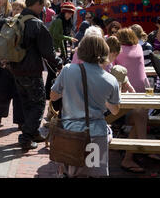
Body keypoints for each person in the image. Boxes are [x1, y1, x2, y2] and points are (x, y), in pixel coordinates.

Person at [50, 36, 121, 178]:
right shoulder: (110, 79)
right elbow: (115, 110)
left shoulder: (68, 70)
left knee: (70, 171)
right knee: (92, 173)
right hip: (96, 133)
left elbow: (53, 96)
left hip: (70, 131)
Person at [5, 0, 62, 150]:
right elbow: (48, 51)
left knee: (26, 103)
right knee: (38, 104)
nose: (43, 9)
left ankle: (33, 131)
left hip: (15, 69)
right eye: (41, 5)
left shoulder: (16, 20)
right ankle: (26, 137)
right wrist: (59, 62)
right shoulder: (36, 24)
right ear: (36, 4)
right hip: (31, 70)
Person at [113, 28, 149, 173]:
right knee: (140, 116)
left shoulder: (118, 50)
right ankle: (144, 146)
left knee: (139, 117)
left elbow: (112, 70)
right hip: (142, 92)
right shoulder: (139, 47)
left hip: (127, 95)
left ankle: (141, 148)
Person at [0, 0, 25, 129]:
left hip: (18, 65)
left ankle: (20, 121)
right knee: (2, 93)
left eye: (19, 9)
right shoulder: (4, 23)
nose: (16, 11)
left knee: (19, 95)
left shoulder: (25, 25)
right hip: (4, 65)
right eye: (15, 9)